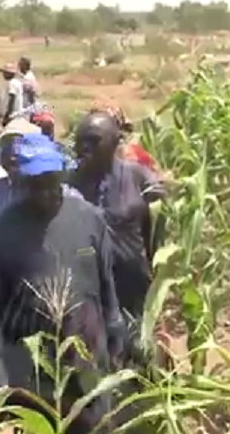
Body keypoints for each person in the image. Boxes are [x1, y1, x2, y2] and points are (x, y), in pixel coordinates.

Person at [0, 138, 124, 434]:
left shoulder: (89, 220)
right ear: (20, 182)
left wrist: (116, 328)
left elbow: (105, 284)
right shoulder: (0, 234)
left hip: (88, 360)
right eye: (36, 184)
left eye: (52, 180)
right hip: (32, 366)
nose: (46, 191)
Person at [70, 111, 167, 320]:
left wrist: (155, 264)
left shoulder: (137, 176)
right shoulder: (69, 185)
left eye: (94, 140)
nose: (85, 147)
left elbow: (159, 220)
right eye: (81, 140)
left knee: (137, 345)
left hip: (132, 288)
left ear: (115, 143)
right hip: (89, 290)